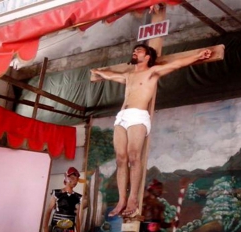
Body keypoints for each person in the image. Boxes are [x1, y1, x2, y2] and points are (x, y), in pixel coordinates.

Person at [90, 44, 212, 218]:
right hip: (122, 116)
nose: (135, 52)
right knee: (120, 159)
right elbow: (111, 75)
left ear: (147, 57)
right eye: (134, 50)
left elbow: (175, 64)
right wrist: (99, 72)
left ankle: (132, 198)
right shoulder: (128, 75)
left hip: (138, 115)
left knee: (133, 156)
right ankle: (121, 200)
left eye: (139, 51)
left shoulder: (152, 72)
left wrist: (198, 55)